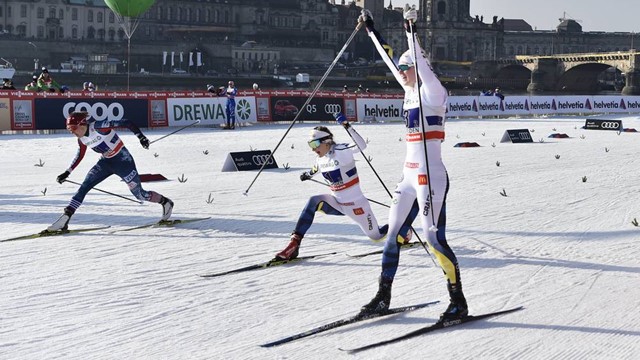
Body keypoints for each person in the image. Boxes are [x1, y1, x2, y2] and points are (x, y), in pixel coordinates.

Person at [358, 6, 468, 322]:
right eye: (402, 69)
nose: (401, 73)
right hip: (408, 175)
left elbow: (416, 60)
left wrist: (410, 27)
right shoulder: (407, 90)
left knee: (433, 237)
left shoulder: (433, 91)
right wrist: (370, 28)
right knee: (391, 235)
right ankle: (383, 296)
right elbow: (388, 57)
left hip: (430, 175)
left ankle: (458, 302)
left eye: (405, 69)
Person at [275, 114, 412, 261]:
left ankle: (403, 230)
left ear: (326, 142)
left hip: (358, 206)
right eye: (310, 145)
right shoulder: (320, 159)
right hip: (337, 204)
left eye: (315, 144)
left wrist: (347, 125)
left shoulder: (341, 151)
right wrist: (307, 175)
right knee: (313, 201)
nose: (313, 149)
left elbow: (362, 145)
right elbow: (315, 169)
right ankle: (294, 244)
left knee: (376, 236)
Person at [46, 111, 174, 232]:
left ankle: (166, 202)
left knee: (139, 195)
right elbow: (80, 154)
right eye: (69, 130)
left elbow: (126, 122)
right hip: (105, 163)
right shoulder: (81, 139)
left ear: (82, 124)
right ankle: (66, 217)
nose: (72, 132)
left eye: (73, 128)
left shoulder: (99, 127)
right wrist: (67, 172)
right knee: (84, 187)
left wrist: (141, 137)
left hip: (123, 162)